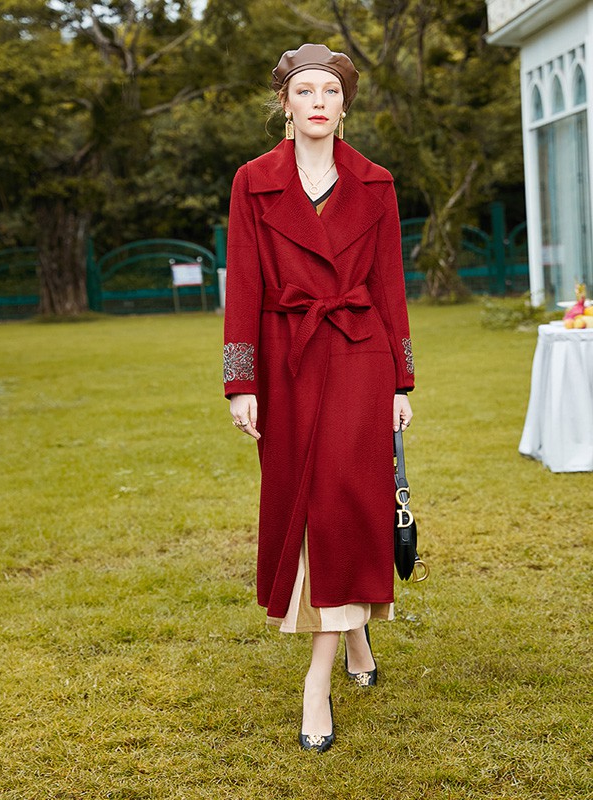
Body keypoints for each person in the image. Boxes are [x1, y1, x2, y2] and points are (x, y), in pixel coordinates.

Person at [223, 43, 414, 753]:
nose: (318, 103)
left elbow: (390, 285)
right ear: (285, 103)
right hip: (286, 360)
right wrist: (241, 382)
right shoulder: (253, 182)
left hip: (361, 355)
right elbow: (244, 283)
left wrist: (401, 381)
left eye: (330, 91)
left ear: (344, 105)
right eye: (305, 91)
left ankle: (317, 680)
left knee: (343, 503)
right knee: (302, 505)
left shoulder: (377, 182)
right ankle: (356, 634)